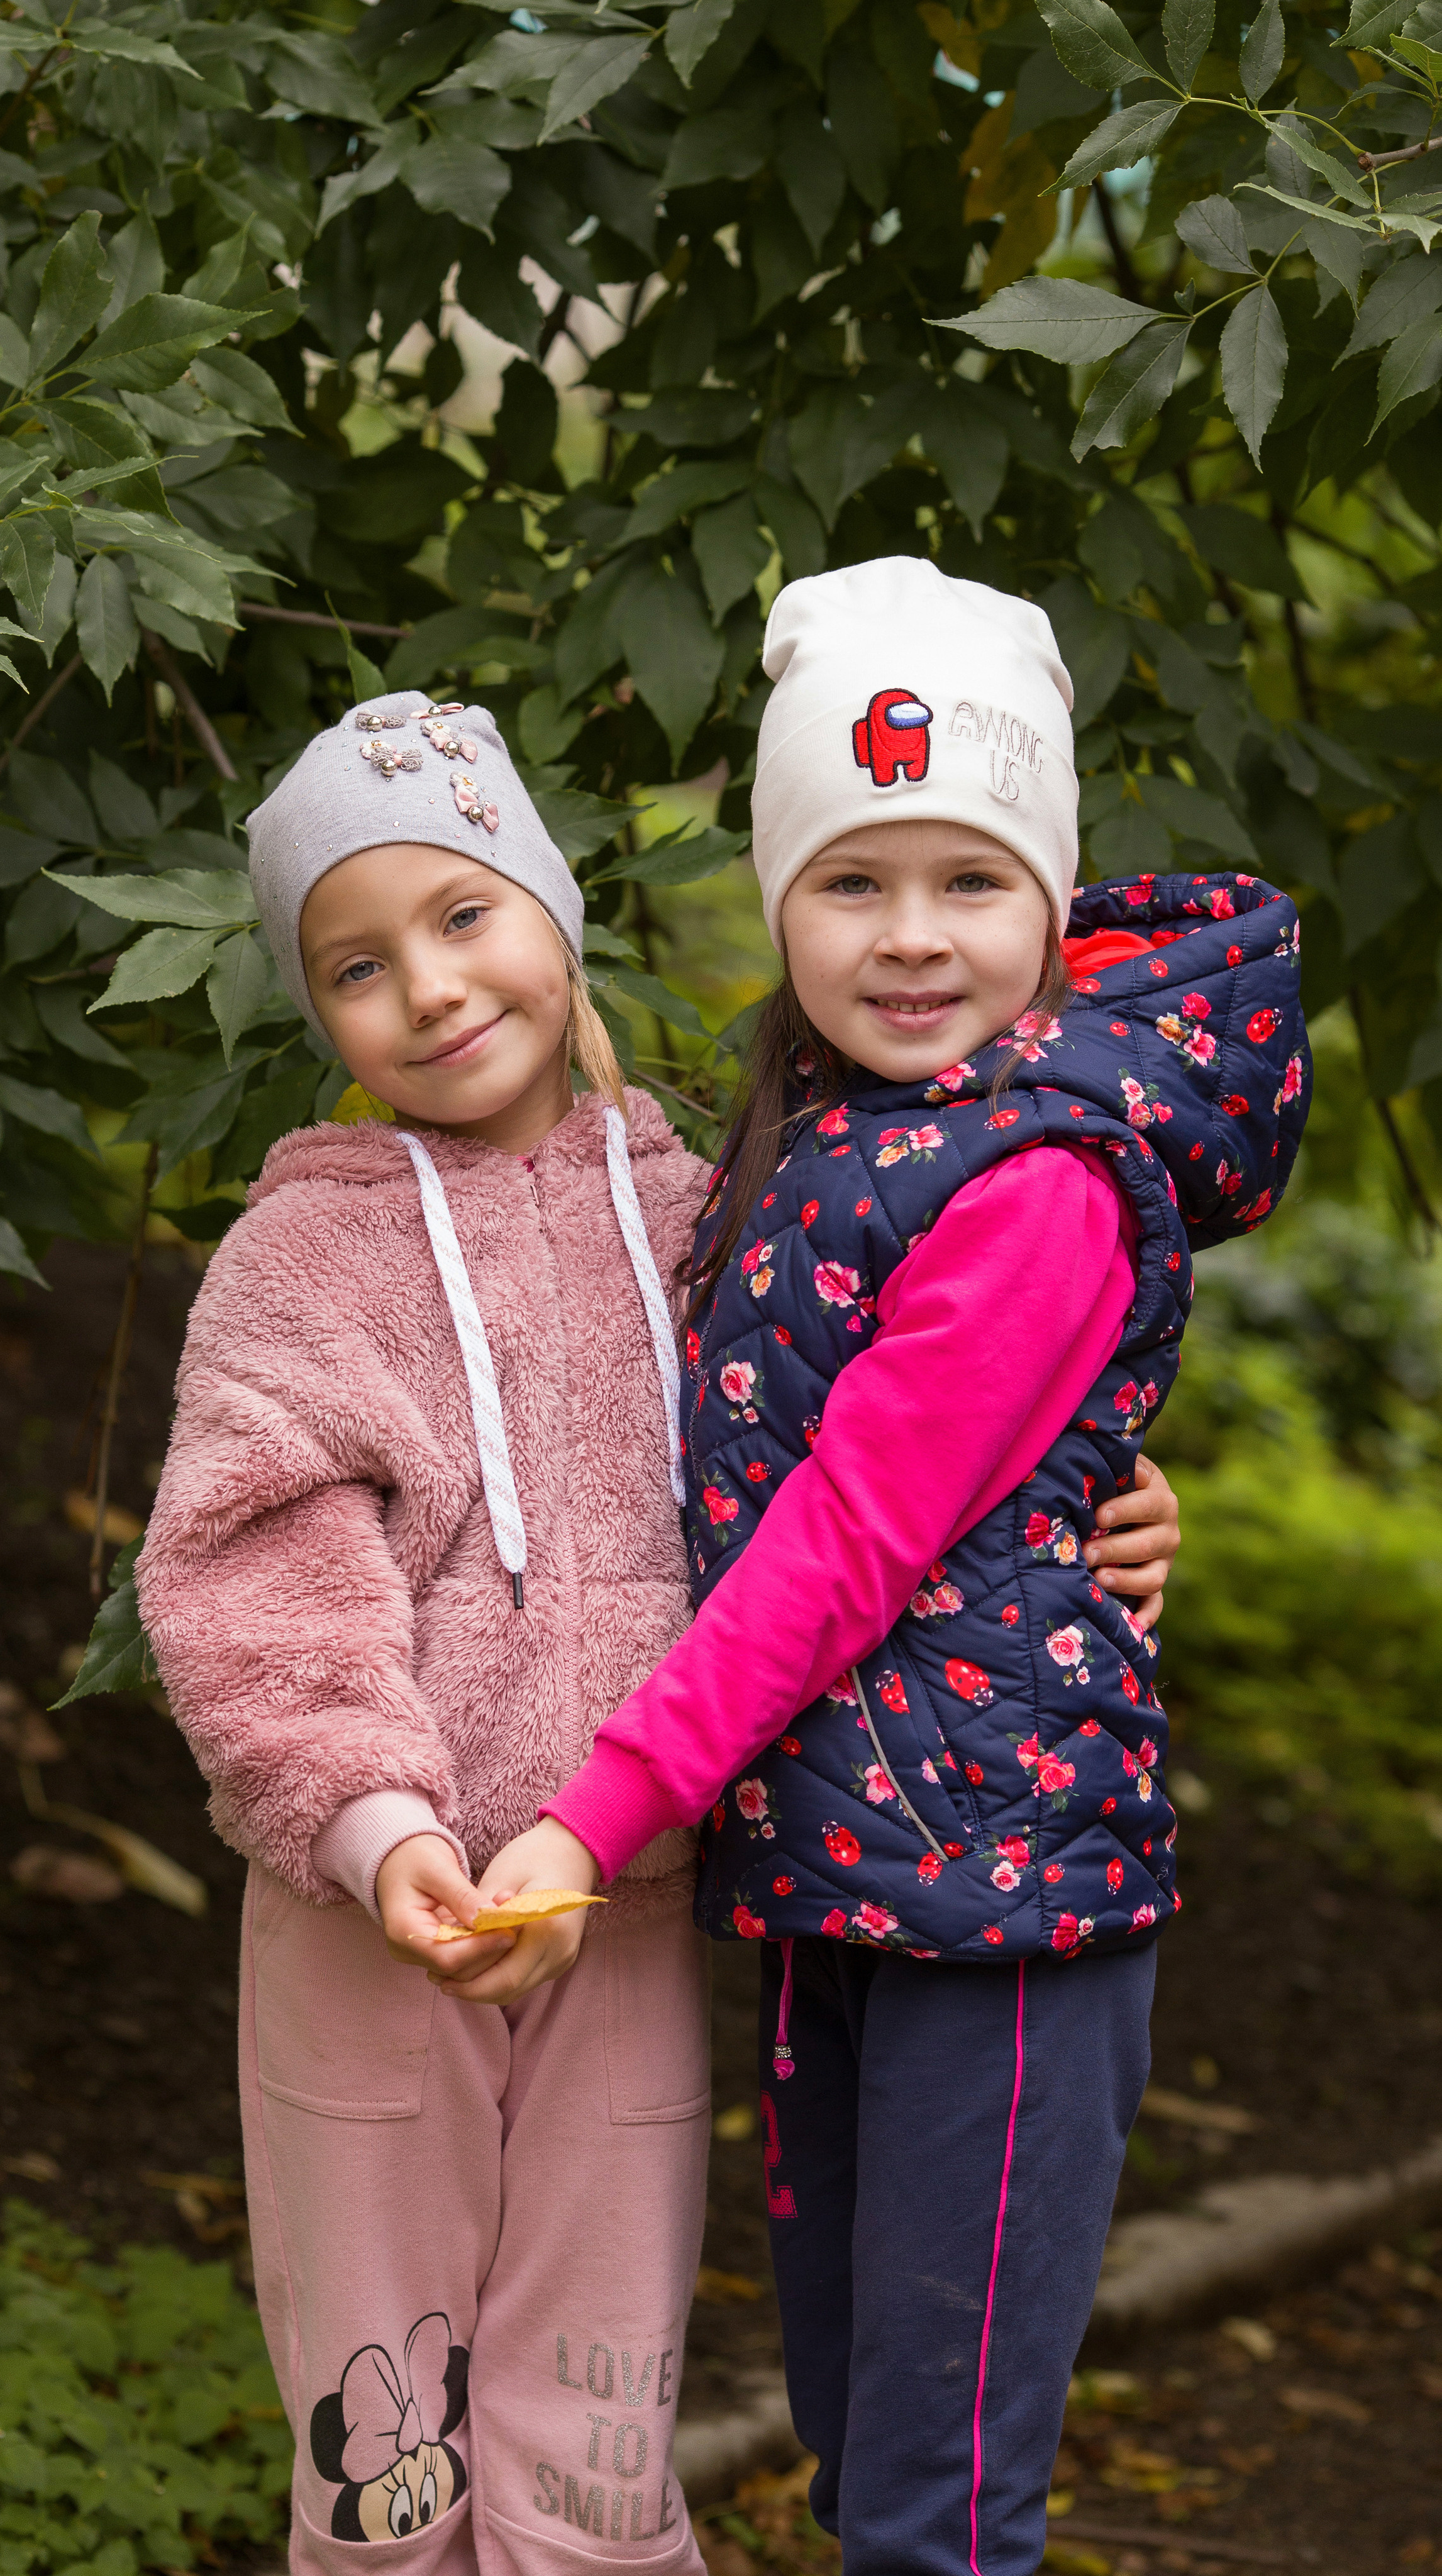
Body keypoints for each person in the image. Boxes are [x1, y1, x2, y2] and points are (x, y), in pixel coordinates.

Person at [136, 671, 1183, 2576]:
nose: (433, 989)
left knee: (598, 2425)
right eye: (358, 965)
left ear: (555, 909)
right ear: (317, 1010)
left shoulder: (715, 1213)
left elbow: (875, 1477)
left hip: (623, 1902)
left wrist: (1095, 1503)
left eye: (463, 914)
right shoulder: (299, 1266)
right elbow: (250, 1591)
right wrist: (379, 1836)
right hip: (380, 1915)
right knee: (386, 2430)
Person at [471, 560, 1309, 2576]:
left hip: (998, 1917)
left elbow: (847, 1539)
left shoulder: (1031, 1170)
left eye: (969, 879)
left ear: (1055, 898)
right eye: (852, 882)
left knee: (934, 2512)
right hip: (856, 1871)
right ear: (775, 899)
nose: (912, 937)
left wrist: (595, 1818)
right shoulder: (831, 1130)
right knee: (863, 2459)